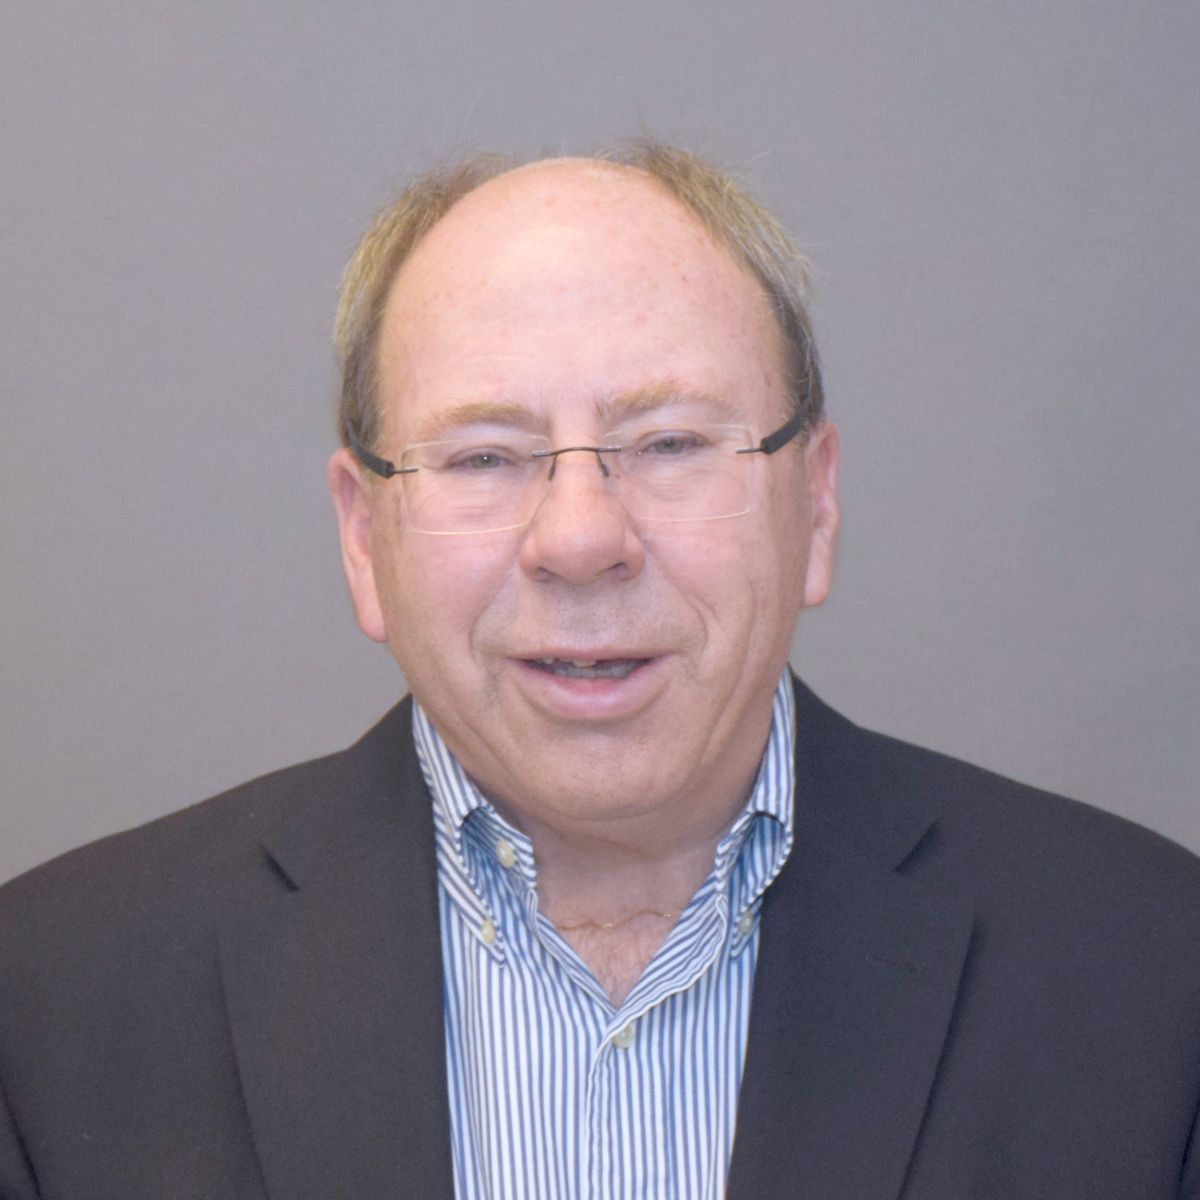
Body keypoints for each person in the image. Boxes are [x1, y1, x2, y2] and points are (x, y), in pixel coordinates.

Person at [1, 142, 1198, 1200]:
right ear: (365, 539)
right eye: (484, 456)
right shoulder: (47, 999)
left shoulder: (1153, 972)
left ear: (816, 502)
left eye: (671, 442)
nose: (579, 539)